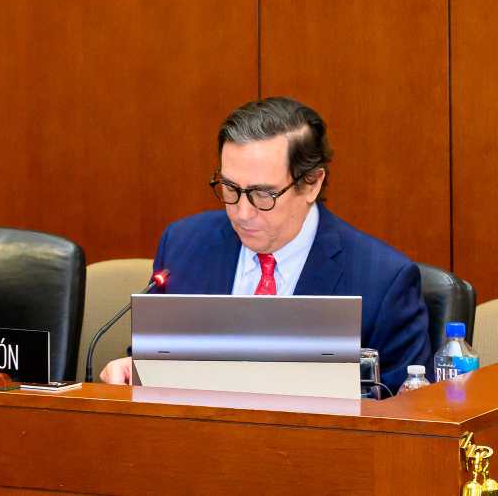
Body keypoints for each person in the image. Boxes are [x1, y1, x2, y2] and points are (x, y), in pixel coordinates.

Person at [100, 97, 430, 394]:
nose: (242, 213)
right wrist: (129, 372)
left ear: (312, 184)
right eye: (229, 188)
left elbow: (408, 417)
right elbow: (152, 365)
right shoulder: (184, 246)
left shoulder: (383, 280)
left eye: (263, 194)